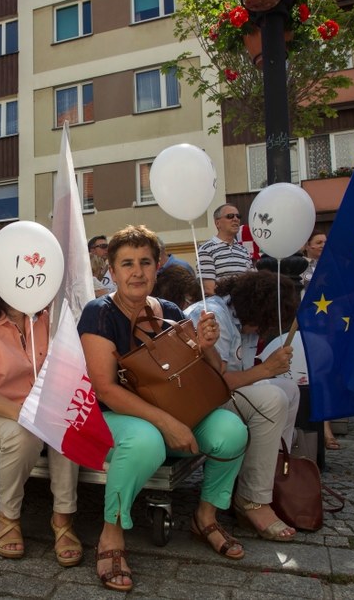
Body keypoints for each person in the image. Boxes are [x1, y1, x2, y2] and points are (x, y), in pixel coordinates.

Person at [78, 225, 248, 592]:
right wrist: (168, 423)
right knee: (146, 442)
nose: (136, 271)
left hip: (171, 412)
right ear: (112, 269)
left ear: (158, 267)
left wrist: (206, 345)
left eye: (145, 262)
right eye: (127, 263)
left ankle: (205, 518)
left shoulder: (170, 310)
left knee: (232, 431)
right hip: (116, 418)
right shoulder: (99, 313)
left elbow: (211, 370)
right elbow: (105, 388)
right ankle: (111, 534)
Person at [0, 269, 83, 567]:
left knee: (68, 427)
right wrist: (31, 417)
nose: (27, 282)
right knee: (23, 433)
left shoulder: (48, 320)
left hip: (39, 415)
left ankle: (63, 519)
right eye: (18, 276)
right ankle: (7, 517)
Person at [186, 271, 299, 543]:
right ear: (255, 310)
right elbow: (217, 382)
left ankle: (265, 482)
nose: (259, 332)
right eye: (261, 325)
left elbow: (239, 376)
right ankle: (251, 501)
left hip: (220, 395)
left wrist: (267, 372)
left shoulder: (240, 315)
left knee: (289, 390)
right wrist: (268, 369)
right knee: (273, 399)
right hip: (198, 400)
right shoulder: (213, 315)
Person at [298, 230, 339, 449]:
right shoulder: (297, 266)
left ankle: (327, 427)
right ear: (306, 245)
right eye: (318, 242)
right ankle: (312, 428)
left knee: (326, 376)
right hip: (306, 327)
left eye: (326, 241)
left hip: (329, 326)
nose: (323, 245)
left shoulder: (334, 266)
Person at [197, 204, 254, 296]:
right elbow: (209, 289)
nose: (235, 219)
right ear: (217, 223)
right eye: (230, 216)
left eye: (238, 216)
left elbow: (252, 282)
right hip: (222, 308)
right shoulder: (206, 250)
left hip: (244, 306)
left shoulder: (244, 251)